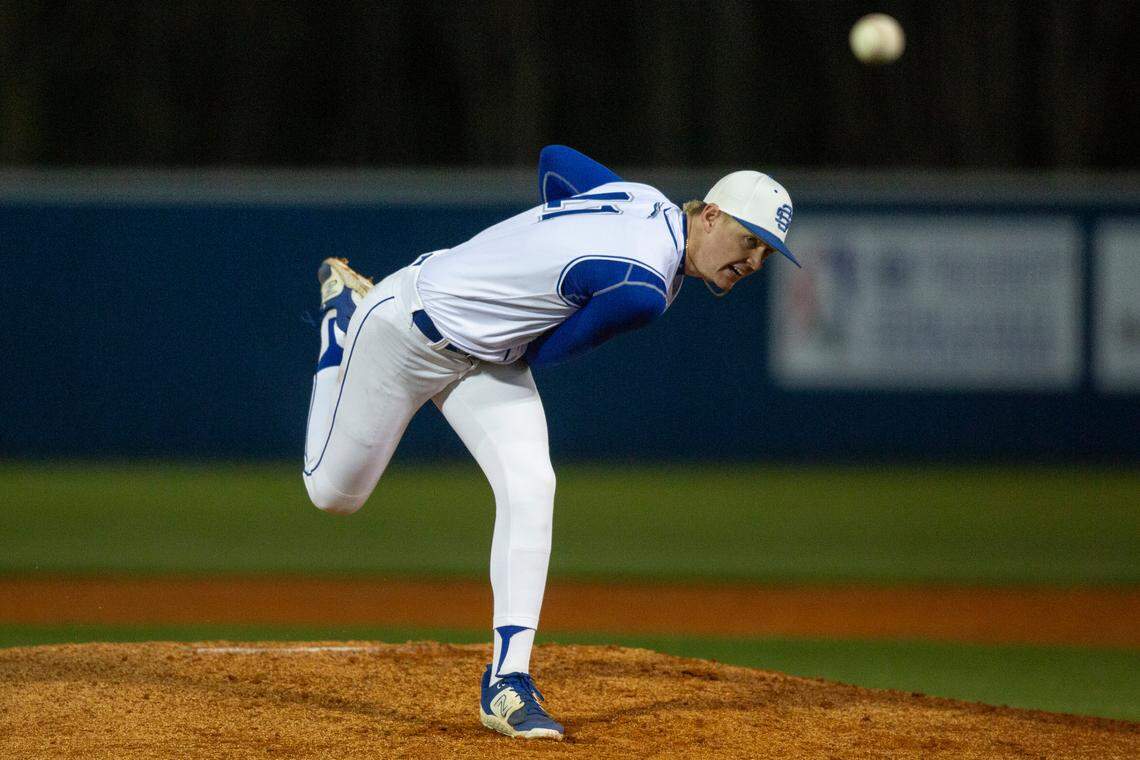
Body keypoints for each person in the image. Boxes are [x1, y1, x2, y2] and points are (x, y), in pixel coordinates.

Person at [301, 145, 799, 740]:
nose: (754, 262)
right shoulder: (640, 285)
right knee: (333, 494)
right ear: (712, 215)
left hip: (485, 358)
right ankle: (340, 323)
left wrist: (540, 254)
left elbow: (555, 162)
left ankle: (508, 681)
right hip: (404, 330)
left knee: (532, 483)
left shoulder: (641, 199)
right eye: (750, 241)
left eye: (766, 253)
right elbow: (548, 350)